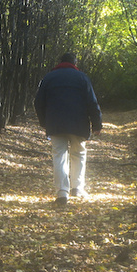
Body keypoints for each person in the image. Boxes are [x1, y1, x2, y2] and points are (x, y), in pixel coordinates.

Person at [34, 52, 102, 208]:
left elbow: (38, 102)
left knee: (59, 156)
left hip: (55, 123)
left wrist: (44, 122)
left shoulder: (49, 78)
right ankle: (77, 188)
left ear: (60, 62)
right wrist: (97, 124)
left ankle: (62, 193)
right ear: (75, 63)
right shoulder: (82, 78)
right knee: (78, 154)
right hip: (78, 124)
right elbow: (92, 102)